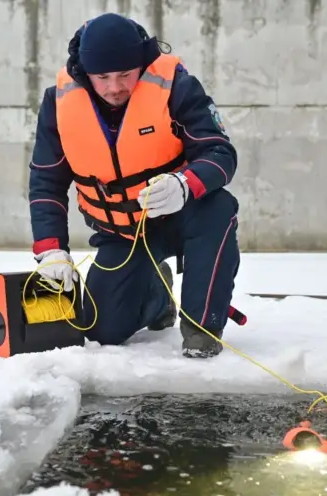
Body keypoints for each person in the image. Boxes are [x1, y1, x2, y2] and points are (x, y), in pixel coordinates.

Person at [27, 13, 241, 358]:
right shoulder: (58, 104)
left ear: (141, 64)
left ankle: (203, 327)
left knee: (219, 207)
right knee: (102, 330)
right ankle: (157, 298)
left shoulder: (178, 87)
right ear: (86, 73)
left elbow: (220, 153)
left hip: (179, 213)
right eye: (103, 77)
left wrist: (184, 184)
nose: (115, 87)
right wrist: (51, 250)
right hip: (122, 232)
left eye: (125, 74)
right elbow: (45, 182)